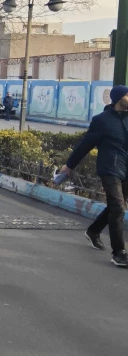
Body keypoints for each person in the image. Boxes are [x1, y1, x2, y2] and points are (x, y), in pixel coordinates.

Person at [59, 84, 128, 267]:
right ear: (119, 98)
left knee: (116, 207)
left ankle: (93, 231)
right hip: (109, 169)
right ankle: (119, 252)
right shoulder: (102, 120)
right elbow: (85, 144)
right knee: (118, 208)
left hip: (126, 169)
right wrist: (69, 166)